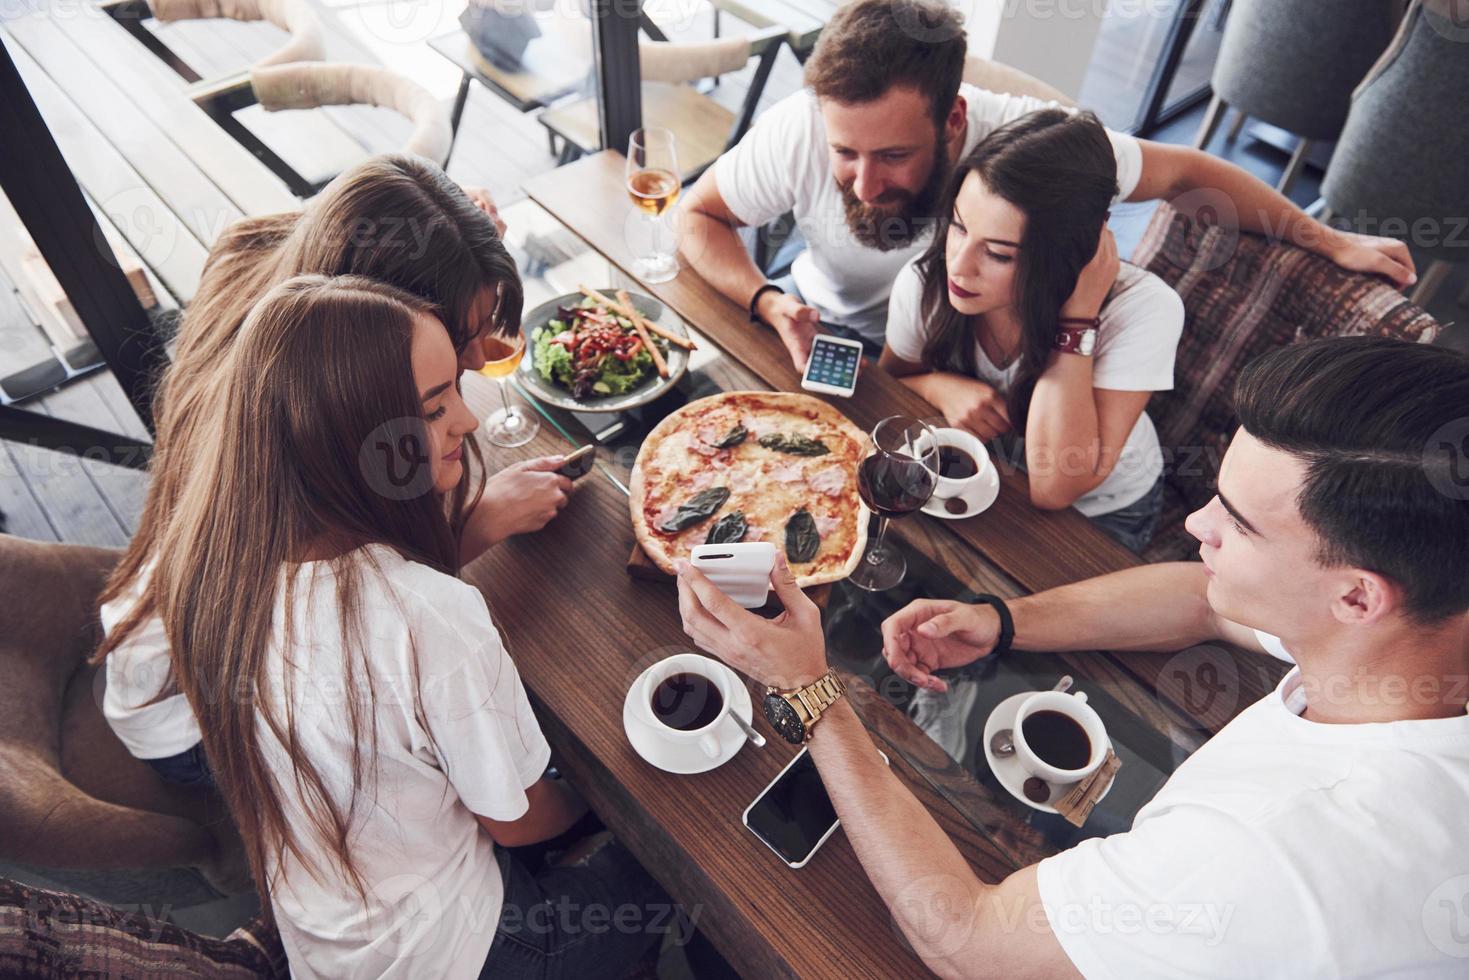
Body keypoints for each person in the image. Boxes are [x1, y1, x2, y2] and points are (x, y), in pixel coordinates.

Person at [674, 336, 1469, 976]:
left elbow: (965, 939)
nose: (1196, 524)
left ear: (1358, 598)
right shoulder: (1412, 627)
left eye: (1236, 523)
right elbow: (1202, 597)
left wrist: (807, 689)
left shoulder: (1265, 852)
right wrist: (1003, 619)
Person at [131, 274, 668, 979]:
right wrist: (602, 801)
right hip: (472, 951)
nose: (468, 422)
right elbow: (520, 819)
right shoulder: (427, 616)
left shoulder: (215, 561)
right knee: (674, 863)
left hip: (329, 938)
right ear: (355, 442)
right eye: (436, 405)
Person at [97, 154, 570, 786]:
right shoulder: (277, 464)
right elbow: (332, 632)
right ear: (365, 327)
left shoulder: (268, 266)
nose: (483, 363)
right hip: (200, 712)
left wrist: (451, 231)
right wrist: (479, 526)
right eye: (462, 342)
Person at [680, 0, 1417, 373]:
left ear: (954, 119)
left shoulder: (1032, 142)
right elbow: (699, 217)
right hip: (811, 333)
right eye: (846, 153)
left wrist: (1324, 237)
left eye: (894, 156)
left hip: (950, 369)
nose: (865, 182)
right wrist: (768, 301)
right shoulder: (800, 125)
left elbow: (1189, 170)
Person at [882, 108, 1183, 551]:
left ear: (1069, 254)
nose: (960, 266)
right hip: (986, 477)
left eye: (1000, 254)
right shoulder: (926, 283)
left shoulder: (1145, 308)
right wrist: (937, 386)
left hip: (1098, 513)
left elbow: (1055, 488)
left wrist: (1077, 320)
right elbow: (889, 380)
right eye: (960, 228)